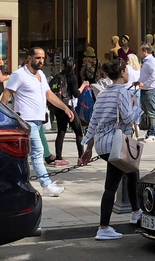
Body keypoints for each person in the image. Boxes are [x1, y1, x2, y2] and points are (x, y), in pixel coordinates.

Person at [79, 59, 144, 240]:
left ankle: (136, 211)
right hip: (116, 144)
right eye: (127, 71)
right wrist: (136, 106)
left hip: (103, 145)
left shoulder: (102, 94)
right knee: (112, 186)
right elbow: (129, 118)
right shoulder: (122, 93)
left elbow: (93, 123)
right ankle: (104, 227)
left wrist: (88, 148)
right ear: (122, 72)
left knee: (132, 174)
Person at [0, 47, 74, 196]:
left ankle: (17, 183)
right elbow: (6, 95)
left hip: (39, 121)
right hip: (26, 121)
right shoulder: (19, 75)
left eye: (42, 58)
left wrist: (65, 108)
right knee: (38, 152)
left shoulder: (40, 74)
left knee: (25, 154)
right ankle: (46, 185)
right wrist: (4, 117)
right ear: (29, 58)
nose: (41, 61)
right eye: (37, 58)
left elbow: (49, 95)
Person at [52, 57, 89, 166]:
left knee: (61, 131)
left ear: (63, 65)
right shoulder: (72, 77)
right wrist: (84, 85)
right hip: (68, 107)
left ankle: (58, 158)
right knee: (78, 131)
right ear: (73, 66)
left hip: (58, 107)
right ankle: (81, 157)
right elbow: (76, 94)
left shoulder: (58, 76)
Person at [136, 43, 155, 142]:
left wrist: (144, 84)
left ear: (145, 51)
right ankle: (150, 132)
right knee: (148, 112)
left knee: (151, 113)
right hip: (146, 89)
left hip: (151, 90)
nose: (139, 53)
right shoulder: (147, 61)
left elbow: (154, 75)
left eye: (140, 51)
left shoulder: (151, 61)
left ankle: (153, 134)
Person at [125, 54, 142, 138]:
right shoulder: (139, 69)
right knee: (136, 107)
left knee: (128, 108)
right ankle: (137, 125)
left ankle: (130, 125)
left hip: (128, 88)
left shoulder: (127, 68)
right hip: (137, 89)